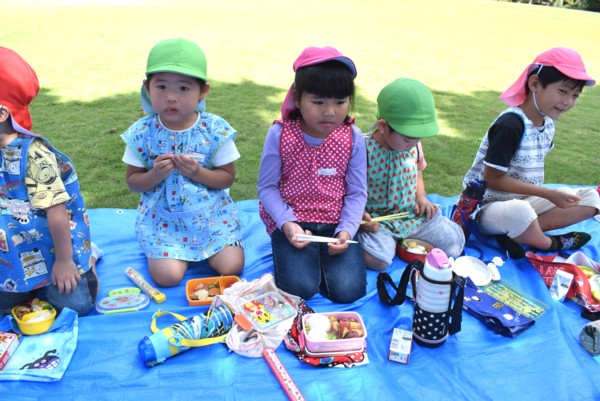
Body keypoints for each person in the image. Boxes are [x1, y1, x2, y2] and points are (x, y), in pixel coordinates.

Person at [121, 38, 244, 287]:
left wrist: (198, 173)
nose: (171, 97)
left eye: (184, 88)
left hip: (211, 218)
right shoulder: (142, 133)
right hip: (162, 222)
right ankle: (168, 251)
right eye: (161, 86)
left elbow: (227, 178)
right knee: (167, 277)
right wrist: (154, 175)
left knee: (231, 267)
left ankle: (221, 244)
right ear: (147, 87)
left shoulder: (214, 130)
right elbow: (133, 182)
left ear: (203, 91)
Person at [463, 47, 600, 259]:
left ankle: (518, 235)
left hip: (526, 201)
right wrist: (548, 194)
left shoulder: (548, 124)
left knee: (590, 198)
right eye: (562, 91)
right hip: (487, 208)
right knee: (520, 212)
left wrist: (547, 195)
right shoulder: (510, 125)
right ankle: (547, 243)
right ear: (535, 84)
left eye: (575, 95)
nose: (568, 102)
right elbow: (492, 179)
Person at [257, 46, 367, 303]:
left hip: (335, 222)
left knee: (348, 290)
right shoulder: (280, 134)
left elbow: (357, 192)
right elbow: (267, 188)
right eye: (318, 102)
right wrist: (287, 223)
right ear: (297, 98)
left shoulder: (353, 137)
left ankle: (323, 260)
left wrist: (347, 231)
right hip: (293, 222)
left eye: (340, 102)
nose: (330, 112)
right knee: (300, 288)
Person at [0, 47, 102, 316]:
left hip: (53, 249)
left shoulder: (34, 155)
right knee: (5, 307)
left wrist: (65, 261)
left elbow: (56, 212)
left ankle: (88, 259)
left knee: (76, 306)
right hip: (11, 255)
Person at [358, 78, 465, 270]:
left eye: (418, 139)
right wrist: (360, 218)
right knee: (378, 260)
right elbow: (347, 187)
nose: (413, 144)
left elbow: (417, 171)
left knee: (454, 244)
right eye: (408, 140)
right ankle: (386, 241)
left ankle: (403, 240)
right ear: (383, 126)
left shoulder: (414, 145)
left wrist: (421, 197)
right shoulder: (362, 148)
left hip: (410, 216)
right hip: (378, 220)